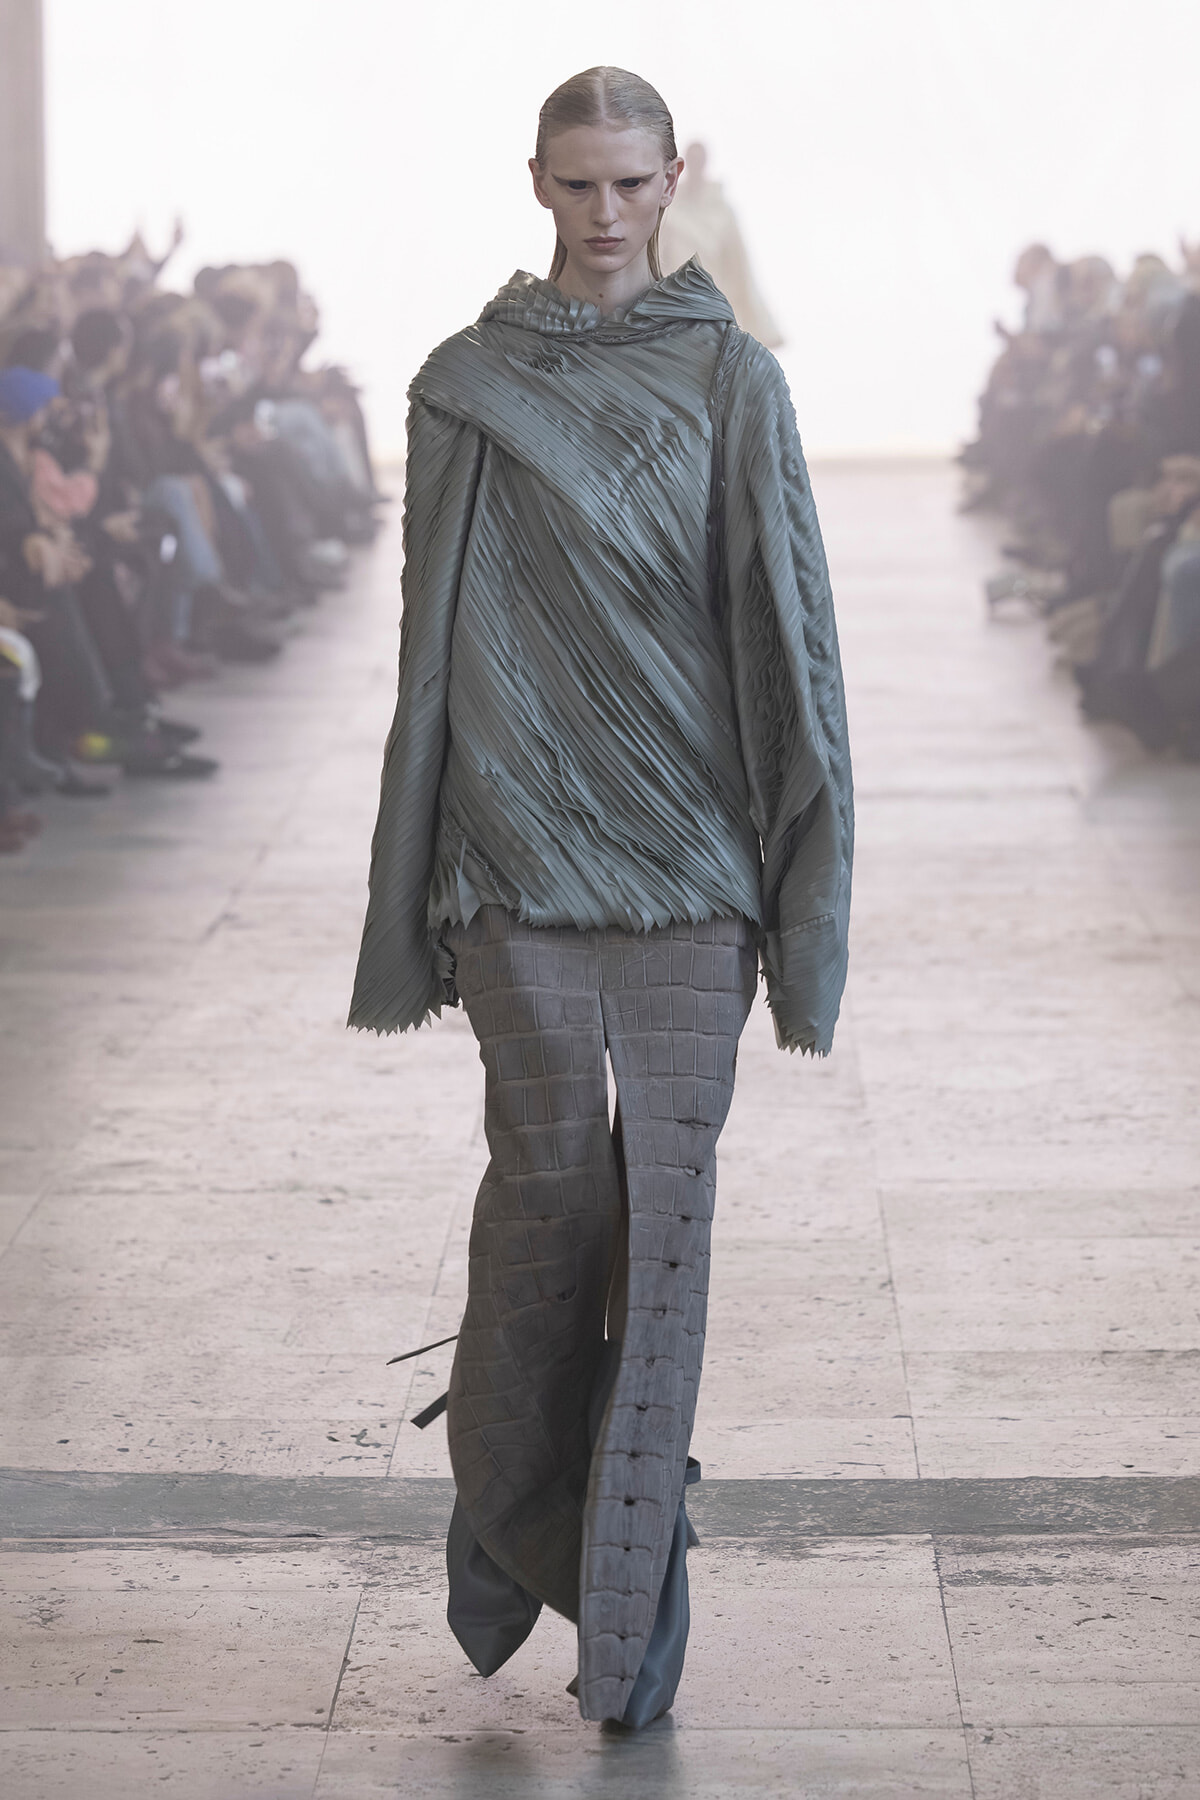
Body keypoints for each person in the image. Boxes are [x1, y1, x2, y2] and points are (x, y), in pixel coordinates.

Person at [349, 66, 852, 1729]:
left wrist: (804, 886)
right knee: (556, 1197)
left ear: (673, 176)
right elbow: (433, 649)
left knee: (676, 1225)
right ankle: (510, 1501)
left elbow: (789, 641)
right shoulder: (470, 383)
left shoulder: (733, 381)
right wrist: (422, 863)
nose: (608, 215)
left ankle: (624, 1610)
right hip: (514, 849)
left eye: (632, 183)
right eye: (578, 185)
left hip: (695, 853)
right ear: (540, 185)